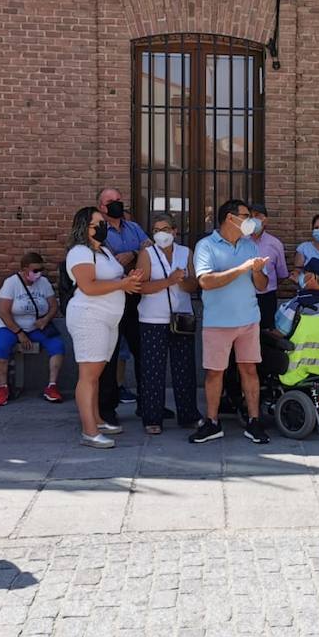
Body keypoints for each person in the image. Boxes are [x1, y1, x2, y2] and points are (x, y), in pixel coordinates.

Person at [192, 198, 270, 444]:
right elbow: (205, 281)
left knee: (249, 369)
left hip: (248, 320)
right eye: (246, 216)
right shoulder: (206, 246)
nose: (251, 222)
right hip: (218, 322)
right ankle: (212, 422)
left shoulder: (250, 246)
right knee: (215, 373)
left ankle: (254, 421)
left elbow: (263, 285)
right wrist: (241, 268)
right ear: (230, 218)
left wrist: (256, 271)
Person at [65, 206, 142, 448]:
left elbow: (111, 281)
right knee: (88, 375)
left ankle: (97, 420)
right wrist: (122, 285)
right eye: (96, 224)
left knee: (97, 373)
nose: (102, 227)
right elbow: (88, 286)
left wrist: (128, 281)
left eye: (103, 223)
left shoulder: (104, 251)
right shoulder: (80, 252)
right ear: (83, 228)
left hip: (108, 318)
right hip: (90, 316)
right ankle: (89, 431)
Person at [136, 214, 203, 436]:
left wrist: (182, 280)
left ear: (174, 231)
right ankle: (152, 417)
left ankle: (188, 415)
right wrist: (169, 280)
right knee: (153, 370)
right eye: (156, 230)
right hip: (152, 319)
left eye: (164, 229)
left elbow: (194, 285)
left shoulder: (186, 252)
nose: (160, 234)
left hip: (181, 318)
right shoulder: (147, 254)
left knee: (184, 369)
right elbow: (141, 287)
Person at [96, 186, 149, 423]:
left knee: (143, 352)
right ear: (101, 207)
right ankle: (107, 409)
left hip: (136, 297)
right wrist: (132, 254)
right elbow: (105, 258)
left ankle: (149, 404)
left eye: (119, 200)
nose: (117, 204)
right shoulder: (98, 230)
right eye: (111, 201)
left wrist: (132, 253)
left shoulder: (133, 227)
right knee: (111, 353)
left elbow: (149, 246)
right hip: (110, 297)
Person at [0, 251, 65, 407]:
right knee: (0, 349)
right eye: (35, 270)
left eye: (41, 270)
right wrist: (19, 333)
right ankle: (2, 387)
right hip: (10, 326)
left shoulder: (44, 283)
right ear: (24, 269)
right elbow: (3, 312)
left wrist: (45, 319)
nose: (38, 274)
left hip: (36, 326)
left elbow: (53, 306)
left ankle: (52, 386)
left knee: (57, 346)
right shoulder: (11, 283)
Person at [248, 203, 288, 331]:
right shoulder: (239, 241)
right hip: (242, 297)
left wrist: (268, 283)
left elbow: (281, 275)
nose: (254, 219)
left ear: (266, 220)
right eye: (250, 216)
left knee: (264, 337)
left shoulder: (275, 244)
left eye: (258, 216)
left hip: (266, 298)